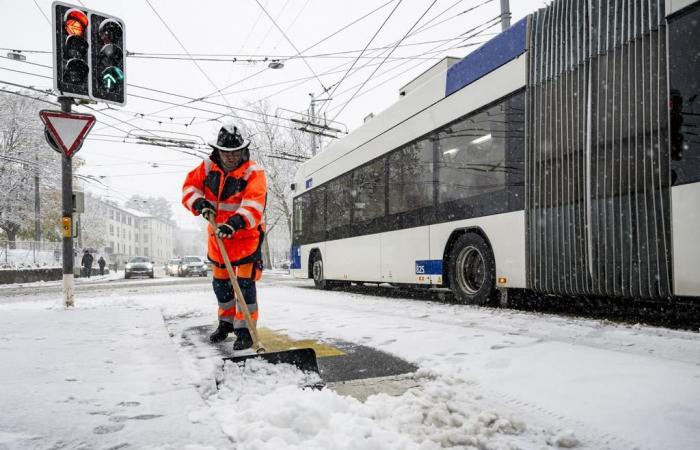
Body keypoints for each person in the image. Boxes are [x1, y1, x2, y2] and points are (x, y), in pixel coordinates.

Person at [181, 124, 267, 351]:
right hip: (218, 240)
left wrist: (235, 223)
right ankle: (226, 324)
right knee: (221, 286)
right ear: (218, 151)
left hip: (245, 239)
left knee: (244, 286)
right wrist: (199, 203)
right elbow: (189, 188)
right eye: (226, 152)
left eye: (236, 152)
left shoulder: (253, 172)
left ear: (242, 151)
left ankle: (245, 331)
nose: (231, 157)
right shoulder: (207, 167)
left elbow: (254, 205)